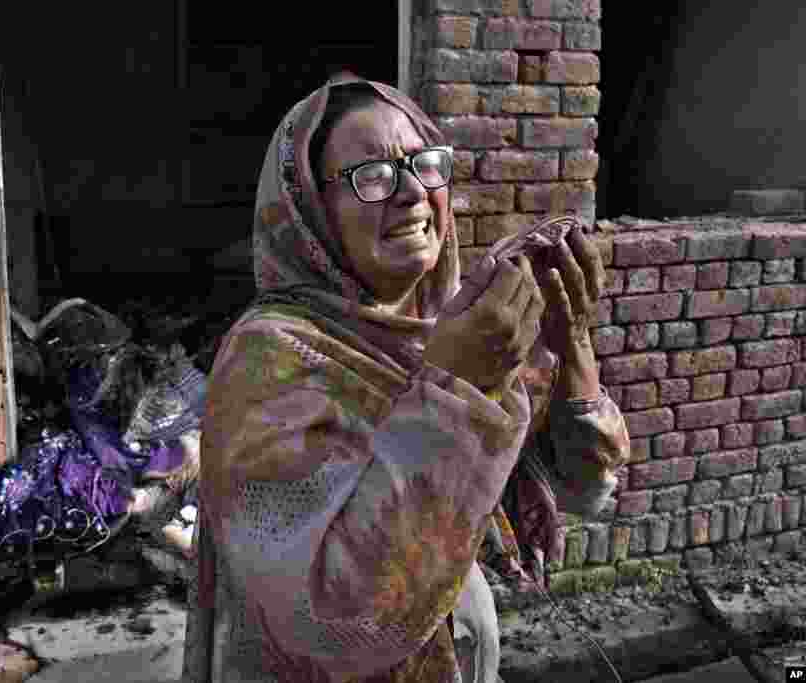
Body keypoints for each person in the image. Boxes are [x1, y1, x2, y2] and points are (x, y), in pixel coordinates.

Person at [182, 74, 630, 683]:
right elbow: (334, 620)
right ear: (312, 212)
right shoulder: (269, 362)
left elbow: (587, 490)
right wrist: (455, 390)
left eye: (424, 162)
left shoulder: (449, 328)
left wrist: (571, 340)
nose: (412, 192)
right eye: (371, 176)